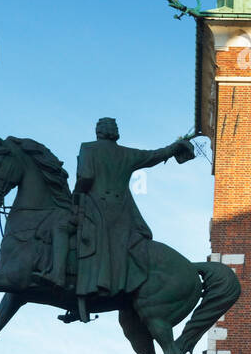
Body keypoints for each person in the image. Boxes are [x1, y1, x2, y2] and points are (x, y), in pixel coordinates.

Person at [73, 118, 194, 316]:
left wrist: (76, 194)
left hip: (96, 207)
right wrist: (175, 147)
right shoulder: (126, 153)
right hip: (123, 211)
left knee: (82, 239)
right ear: (114, 133)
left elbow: (86, 177)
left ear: (98, 132)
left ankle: (84, 292)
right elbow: (154, 156)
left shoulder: (88, 148)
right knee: (123, 246)